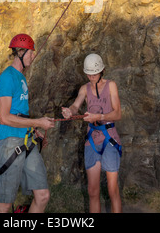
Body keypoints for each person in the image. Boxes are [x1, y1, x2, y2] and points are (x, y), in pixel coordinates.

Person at [0, 33, 55, 213]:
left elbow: (19, 114)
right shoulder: (7, 77)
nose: (33, 56)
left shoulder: (21, 78)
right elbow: (5, 117)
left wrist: (34, 129)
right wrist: (38, 122)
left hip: (27, 141)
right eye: (30, 52)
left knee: (42, 196)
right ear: (19, 52)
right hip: (9, 143)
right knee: (4, 205)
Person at [62, 53, 122, 213]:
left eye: (94, 73)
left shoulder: (111, 86)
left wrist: (99, 116)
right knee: (93, 191)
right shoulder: (84, 88)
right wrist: (69, 111)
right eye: (88, 73)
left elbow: (117, 114)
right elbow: (76, 106)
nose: (91, 76)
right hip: (92, 140)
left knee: (112, 189)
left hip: (109, 138)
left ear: (101, 70)